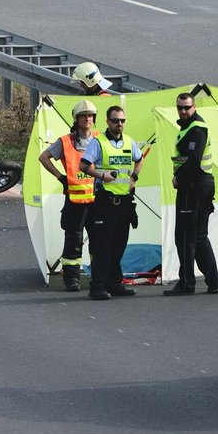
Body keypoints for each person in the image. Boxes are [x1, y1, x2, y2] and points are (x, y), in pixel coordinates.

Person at [79, 106, 143, 300]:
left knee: (119, 245)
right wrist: (101, 175)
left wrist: (134, 178)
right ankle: (97, 286)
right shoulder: (99, 142)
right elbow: (83, 165)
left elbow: (139, 160)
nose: (119, 124)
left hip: (124, 202)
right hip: (106, 202)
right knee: (103, 246)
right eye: (115, 120)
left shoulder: (129, 142)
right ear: (107, 122)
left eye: (122, 120)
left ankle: (114, 283)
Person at [39, 99, 99, 292]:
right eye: (84, 116)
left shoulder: (100, 139)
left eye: (90, 116)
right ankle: (72, 279)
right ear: (77, 118)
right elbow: (44, 157)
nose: (87, 119)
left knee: (98, 240)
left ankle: (99, 277)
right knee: (74, 240)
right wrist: (60, 177)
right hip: (74, 200)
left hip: (98, 199)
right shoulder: (66, 142)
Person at [163, 94, 218, 296]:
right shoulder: (189, 127)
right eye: (179, 107)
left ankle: (187, 284)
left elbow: (194, 160)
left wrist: (178, 177)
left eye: (186, 107)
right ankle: (213, 281)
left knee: (186, 237)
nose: (183, 111)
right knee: (198, 235)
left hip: (194, 185)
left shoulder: (196, 129)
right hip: (198, 185)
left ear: (194, 107)